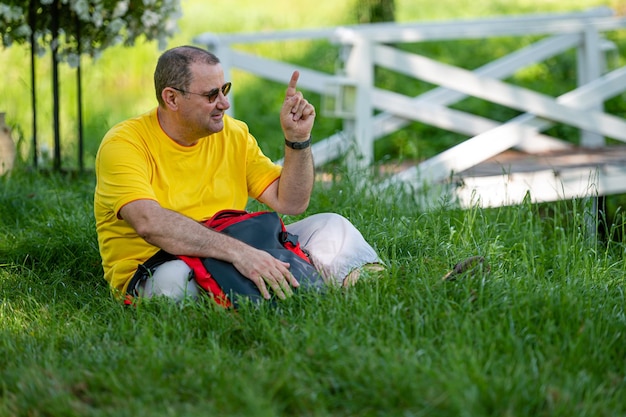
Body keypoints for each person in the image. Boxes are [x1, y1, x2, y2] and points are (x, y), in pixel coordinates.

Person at [94, 45, 381, 302]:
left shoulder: (234, 133)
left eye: (225, 89)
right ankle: (288, 293)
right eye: (211, 95)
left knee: (332, 226)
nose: (224, 103)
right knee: (174, 284)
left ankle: (367, 291)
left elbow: (291, 203)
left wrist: (297, 139)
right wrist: (240, 253)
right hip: (159, 262)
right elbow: (149, 223)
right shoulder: (124, 143)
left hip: (234, 244)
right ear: (171, 98)